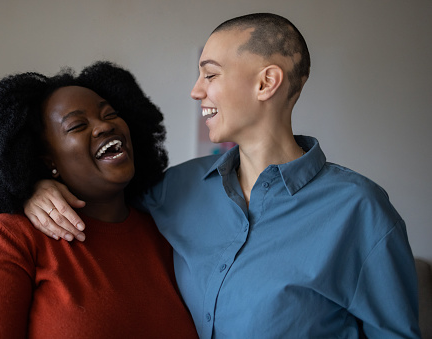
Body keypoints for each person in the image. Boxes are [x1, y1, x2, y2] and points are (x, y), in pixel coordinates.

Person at [23, 14, 421, 338]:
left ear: (266, 82)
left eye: (210, 75)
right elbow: (98, 199)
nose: (197, 91)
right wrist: (33, 186)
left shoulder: (360, 209)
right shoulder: (173, 190)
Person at [0, 61, 199, 338]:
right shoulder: (6, 239)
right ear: (48, 161)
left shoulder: (167, 232)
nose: (104, 127)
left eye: (111, 114)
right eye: (77, 125)